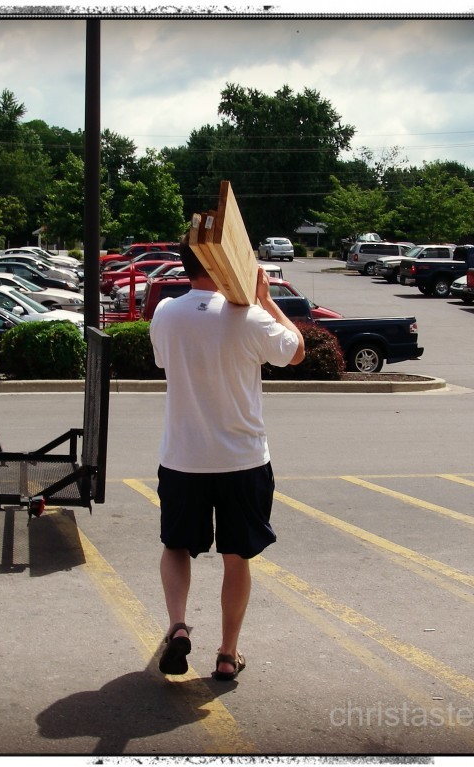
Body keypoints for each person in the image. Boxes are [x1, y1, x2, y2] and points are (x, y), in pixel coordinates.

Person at [149, 239, 305, 681]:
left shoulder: (166, 314)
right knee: (237, 557)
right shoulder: (249, 316)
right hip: (242, 460)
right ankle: (226, 653)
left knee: (176, 545)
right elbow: (296, 352)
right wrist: (268, 302)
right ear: (222, 264)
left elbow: (164, 361)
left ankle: (178, 625)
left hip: (183, 458)